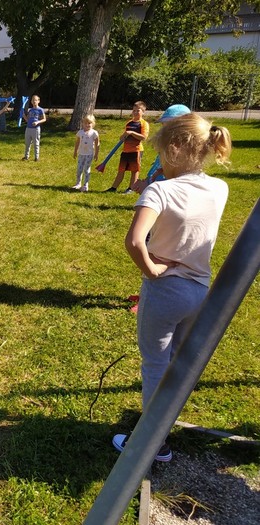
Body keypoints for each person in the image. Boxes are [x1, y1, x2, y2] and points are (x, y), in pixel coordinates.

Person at [112, 113, 231, 462]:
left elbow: (135, 241)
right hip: (200, 292)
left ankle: (152, 444)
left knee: (154, 364)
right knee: (177, 363)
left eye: (161, 151)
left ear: (175, 148)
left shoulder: (159, 190)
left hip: (165, 292)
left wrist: (152, 270)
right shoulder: (219, 188)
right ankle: (164, 424)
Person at [132, 104, 191, 194]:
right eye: (163, 125)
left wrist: (149, 185)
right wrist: (148, 181)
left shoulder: (179, 151)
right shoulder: (167, 147)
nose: (163, 130)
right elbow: (159, 169)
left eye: (167, 126)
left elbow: (169, 177)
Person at [105, 101, 149, 194]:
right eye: (134, 110)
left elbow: (144, 137)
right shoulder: (129, 123)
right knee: (121, 170)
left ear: (143, 112)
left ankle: (131, 188)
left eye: (138, 110)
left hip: (136, 150)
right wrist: (123, 136)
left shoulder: (144, 123)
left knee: (135, 170)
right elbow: (123, 137)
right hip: (126, 150)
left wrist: (132, 133)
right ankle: (113, 188)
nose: (135, 112)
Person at [72, 114, 100, 192]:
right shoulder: (80, 132)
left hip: (89, 154)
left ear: (93, 124)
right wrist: (75, 151)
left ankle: (85, 185)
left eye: (89, 123)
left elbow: (97, 144)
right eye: (85, 123)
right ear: (83, 123)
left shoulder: (94, 133)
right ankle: (78, 184)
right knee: (79, 169)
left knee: (86, 169)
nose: (87, 125)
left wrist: (96, 154)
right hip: (81, 154)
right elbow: (77, 142)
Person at [22, 95, 47, 161]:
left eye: (35, 100)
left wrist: (37, 122)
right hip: (28, 128)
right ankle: (26, 157)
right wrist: (24, 116)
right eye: (33, 100)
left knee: (36, 143)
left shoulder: (40, 110)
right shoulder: (30, 110)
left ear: (38, 101)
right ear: (31, 101)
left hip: (36, 129)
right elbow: (28, 120)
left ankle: (36, 157)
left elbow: (44, 119)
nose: (34, 101)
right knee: (27, 143)